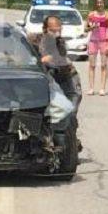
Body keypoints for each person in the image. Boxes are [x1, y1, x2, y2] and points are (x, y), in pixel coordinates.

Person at [36, 16, 83, 151]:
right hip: (51, 79)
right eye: (53, 30)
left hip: (68, 79)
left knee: (70, 112)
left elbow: (57, 58)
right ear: (44, 29)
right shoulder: (36, 40)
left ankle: (69, 144)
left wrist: (47, 59)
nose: (57, 33)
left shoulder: (60, 42)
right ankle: (55, 140)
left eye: (59, 30)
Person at [86, 0, 108, 96]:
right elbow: (86, 28)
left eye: (101, 2)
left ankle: (102, 88)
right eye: (98, 2)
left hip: (104, 42)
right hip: (93, 42)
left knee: (104, 65)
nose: (99, 4)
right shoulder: (91, 15)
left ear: (104, 3)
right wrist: (91, 27)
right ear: (95, 3)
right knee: (92, 65)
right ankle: (91, 88)